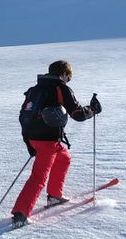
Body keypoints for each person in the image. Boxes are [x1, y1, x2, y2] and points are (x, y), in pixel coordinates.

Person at [11, 60, 102, 228]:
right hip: (47, 140)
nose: (69, 80)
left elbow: (24, 115)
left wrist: (28, 141)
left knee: (63, 159)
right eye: (69, 76)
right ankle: (20, 214)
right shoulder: (60, 87)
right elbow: (77, 114)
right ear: (64, 74)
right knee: (38, 176)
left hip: (34, 137)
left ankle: (54, 196)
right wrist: (93, 110)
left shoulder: (35, 89)